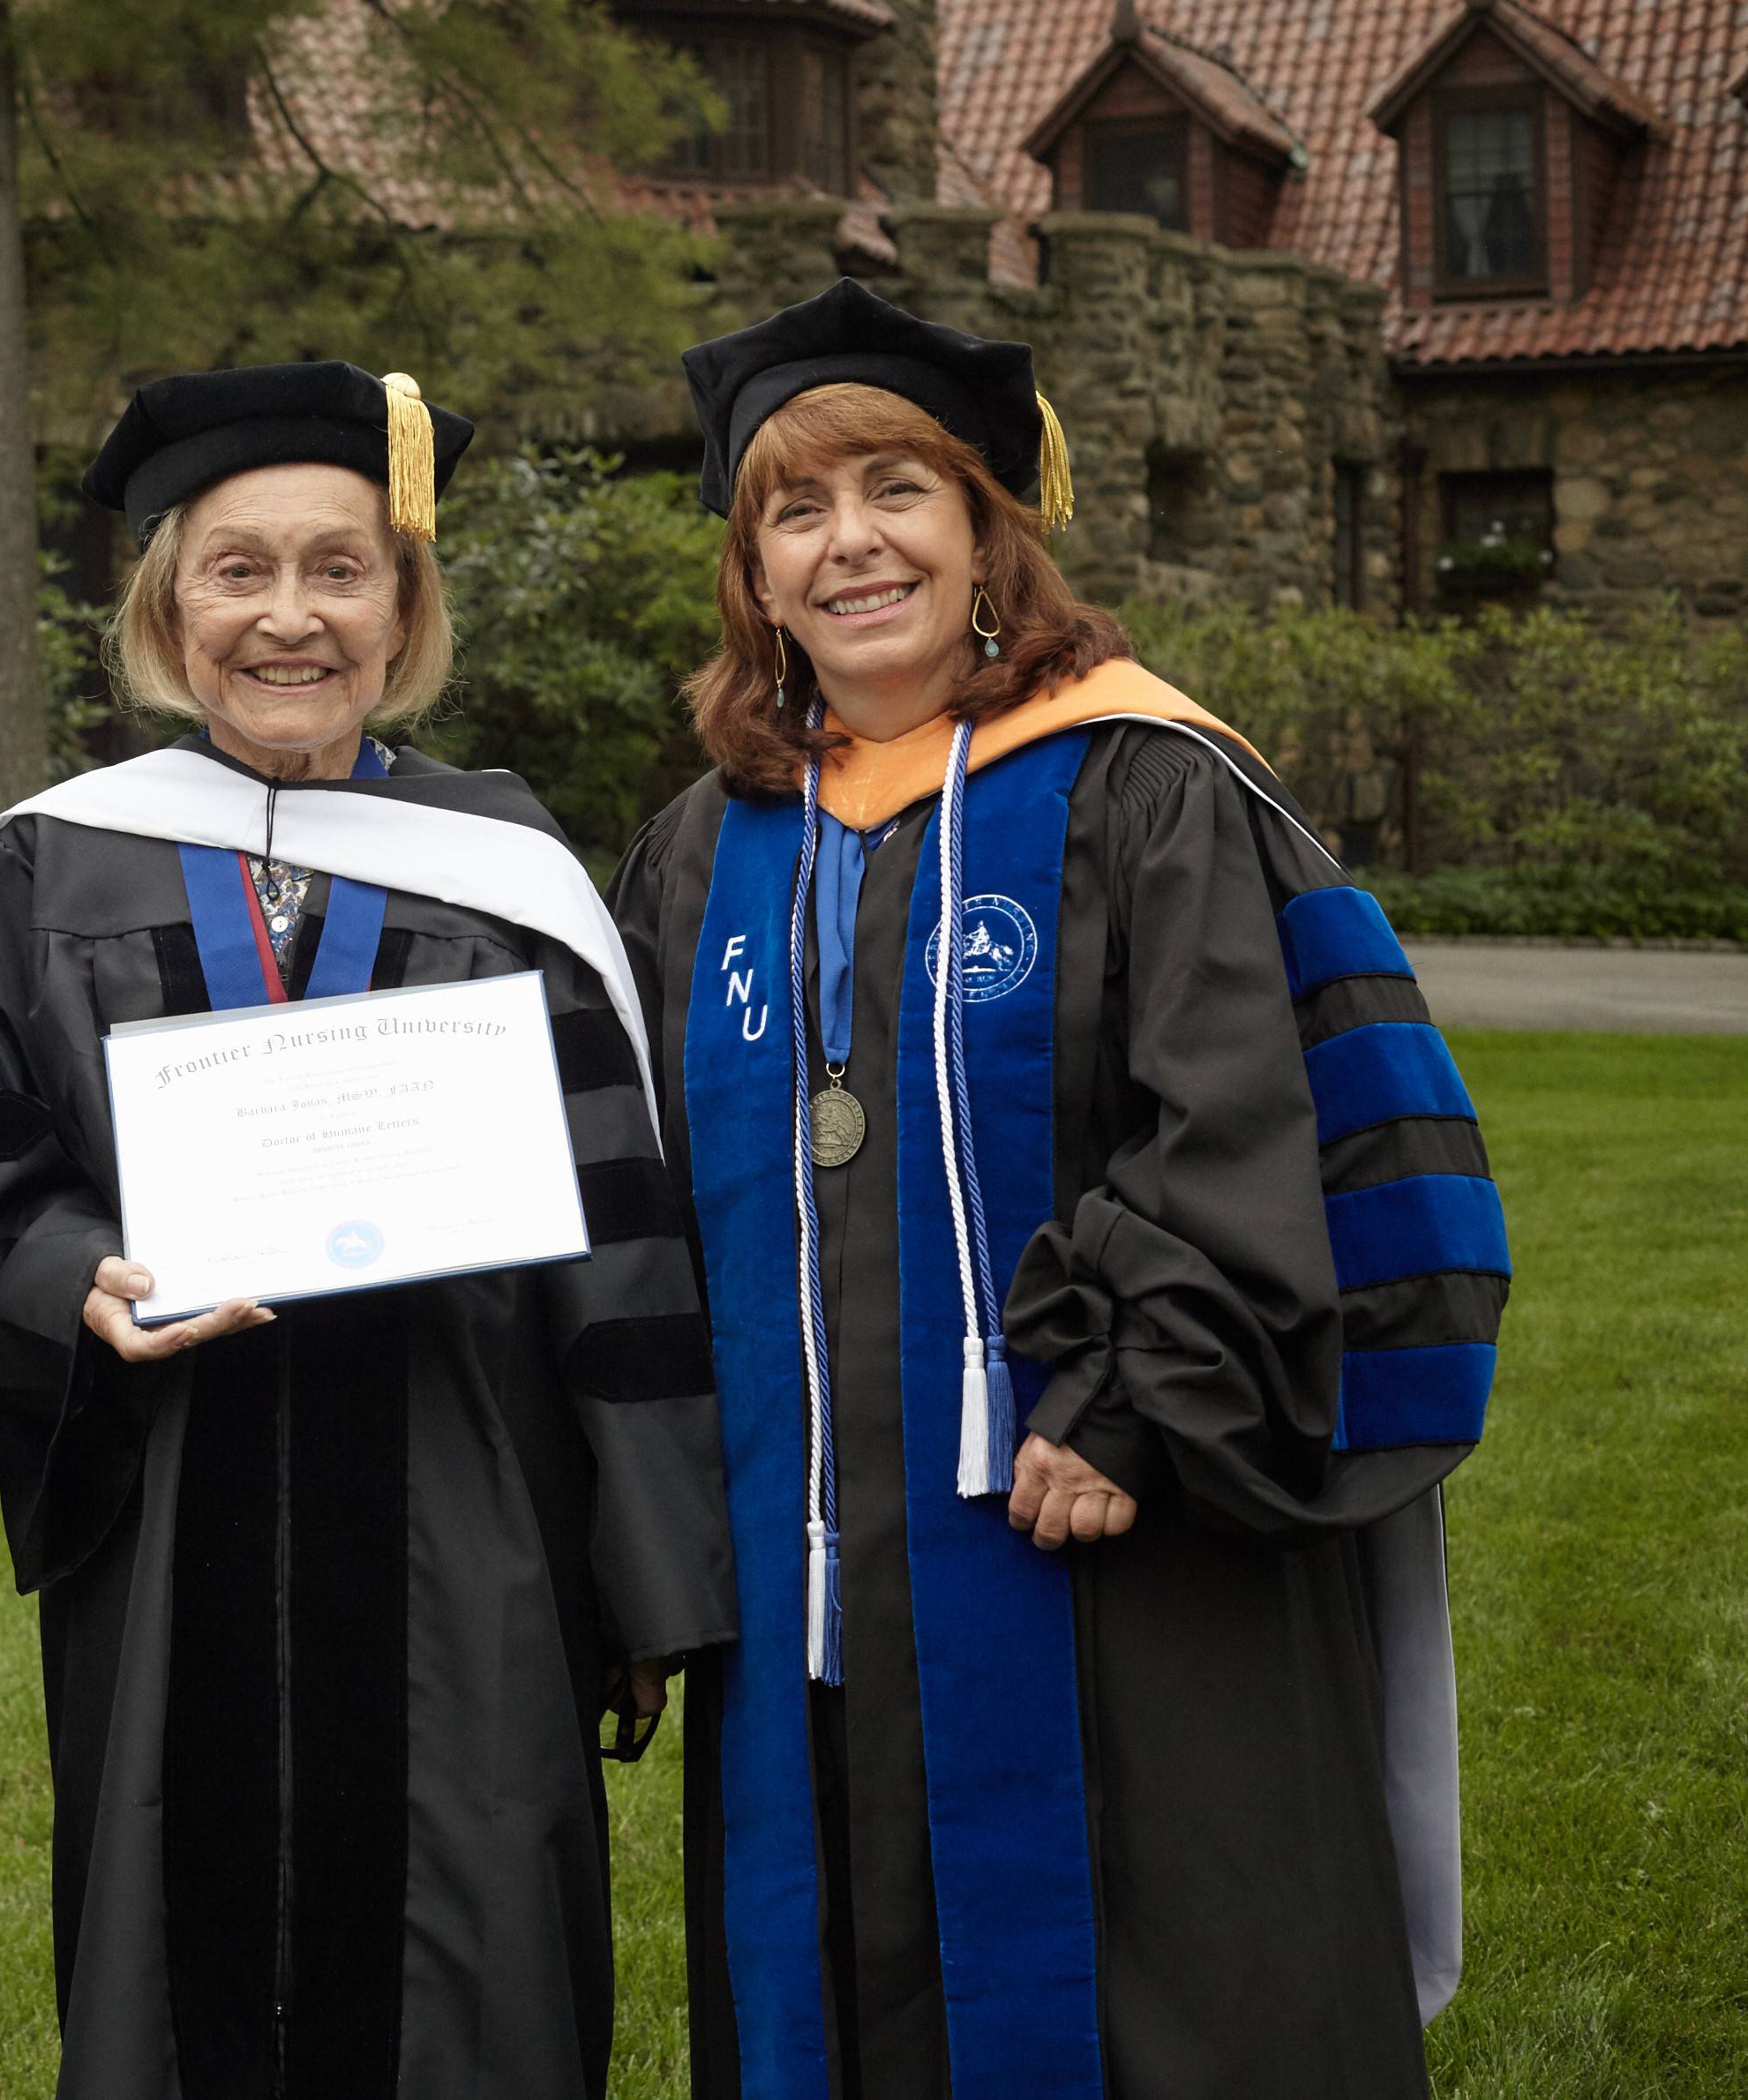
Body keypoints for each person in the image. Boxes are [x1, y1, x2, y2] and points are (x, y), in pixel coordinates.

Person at [611, 280, 1507, 2100]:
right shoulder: (707, 840)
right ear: (752, 572)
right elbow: (626, 1192)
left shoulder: (1141, 783)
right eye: (795, 508)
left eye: (894, 491)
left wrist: (1116, 1394)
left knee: (1143, 1984)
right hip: (816, 1580)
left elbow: (1253, 1116)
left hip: (1111, 1542)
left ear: (983, 528)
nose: (848, 542)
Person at [0, 361, 737, 2097]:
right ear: (164, 604)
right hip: (169, 1505)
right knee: (176, 1929)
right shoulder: (54, 863)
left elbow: (616, 1227)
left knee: (468, 1944)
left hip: (464, 1511)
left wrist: (641, 1574)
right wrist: (66, 1270)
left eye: (338, 568)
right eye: (235, 570)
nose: (286, 615)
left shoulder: (508, 865)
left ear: (403, 605)